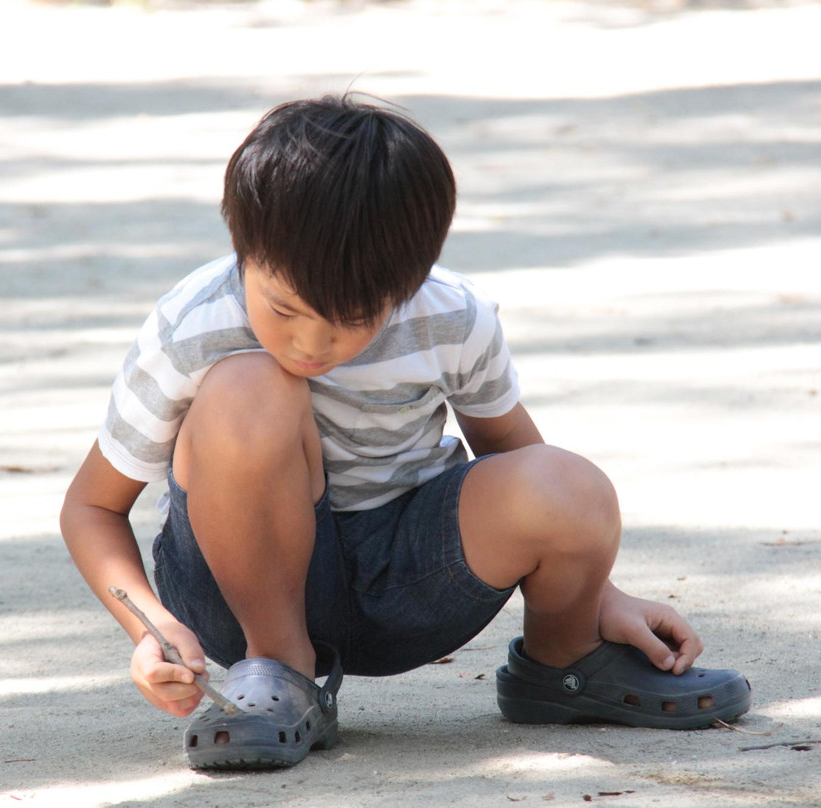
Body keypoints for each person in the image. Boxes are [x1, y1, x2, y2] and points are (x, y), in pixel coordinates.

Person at [60, 94, 751, 770]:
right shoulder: (194, 325)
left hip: (411, 581)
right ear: (243, 250)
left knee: (569, 483)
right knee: (250, 385)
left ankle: (564, 665)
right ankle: (279, 668)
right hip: (236, 595)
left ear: (409, 282)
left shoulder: (450, 315)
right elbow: (92, 506)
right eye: (284, 309)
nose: (312, 345)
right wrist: (150, 625)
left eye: (354, 319)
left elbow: (517, 458)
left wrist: (600, 597)